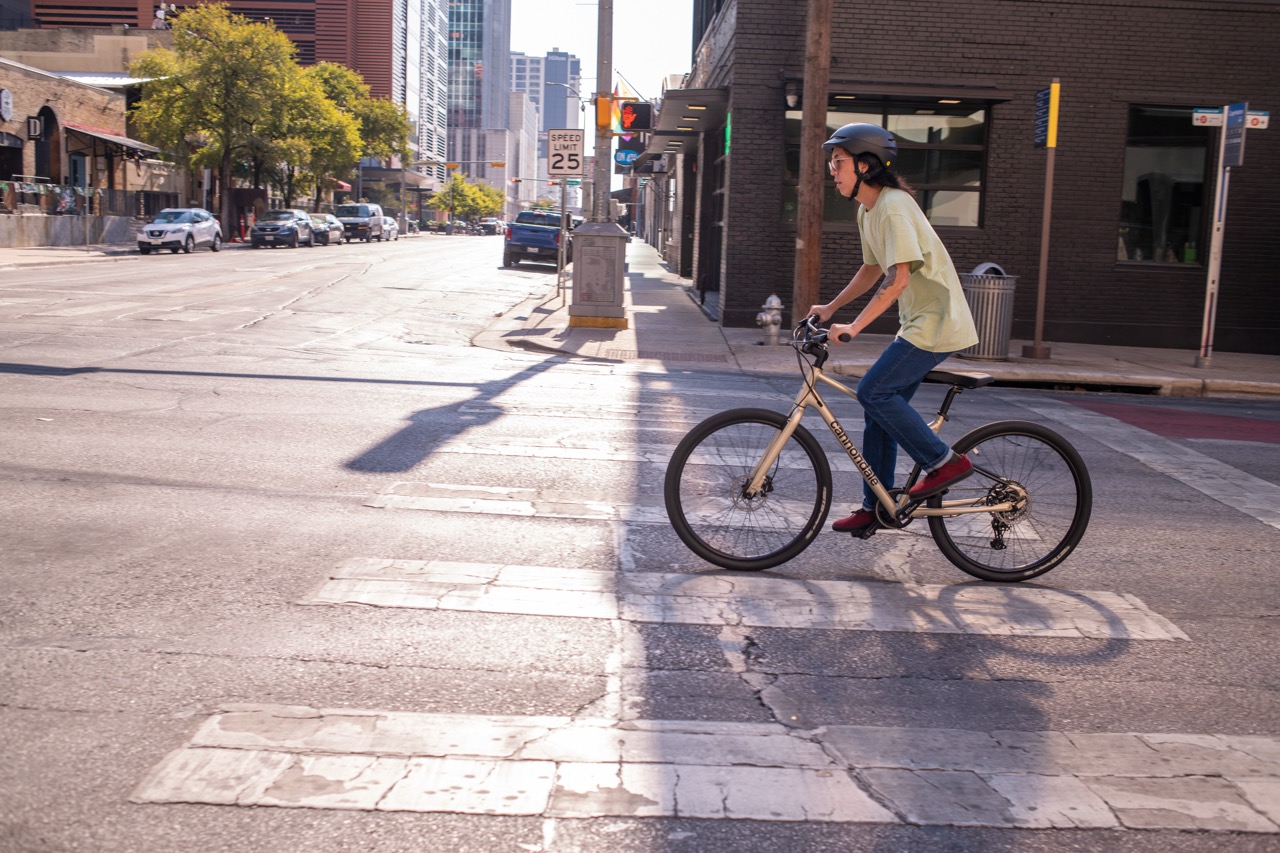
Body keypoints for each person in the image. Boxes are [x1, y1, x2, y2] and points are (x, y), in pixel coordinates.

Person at [808, 123, 980, 538]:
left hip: (937, 324)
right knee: (877, 412)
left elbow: (897, 279)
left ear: (866, 166)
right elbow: (871, 270)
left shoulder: (894, 206)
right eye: (832, 164)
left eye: (839, 163)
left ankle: (944, 462)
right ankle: (877, 506)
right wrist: (831, 308)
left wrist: (854, 327)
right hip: (919, 323)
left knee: (873, 391)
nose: (833, 171)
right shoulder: (869, 209)